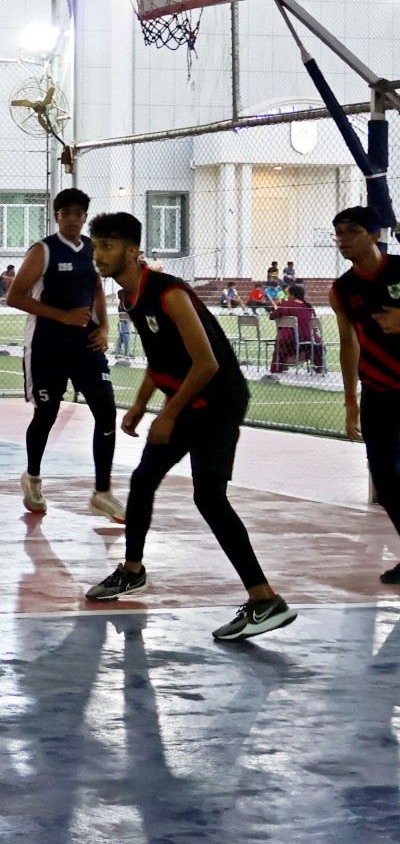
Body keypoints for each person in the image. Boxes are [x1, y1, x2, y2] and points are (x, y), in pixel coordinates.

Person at [81, 212, 295, 640]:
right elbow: (161, 357)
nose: (99, 254)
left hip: (217, 401)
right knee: (143, 479)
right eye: (96, 245)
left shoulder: (169, 293)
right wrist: (140, 403)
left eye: (108, 246)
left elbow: (207, 363)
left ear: (133, 251)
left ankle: (265, 599)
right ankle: (132, 571)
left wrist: (168, 414)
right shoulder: (131, 296)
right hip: (186, 401)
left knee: (209, 497)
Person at [6, 189, 125, 522]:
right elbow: (15, 296)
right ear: (56, 216)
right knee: (47, 413)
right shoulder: (43, 251)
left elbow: (97, 289)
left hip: (86, 344)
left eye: (78, 213)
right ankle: (32, 477)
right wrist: (63, 316)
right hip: (48, 345)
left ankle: (103, 492)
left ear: (85, 217)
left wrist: (104, 327)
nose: (73, 218)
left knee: (106, 410)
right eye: (66, 213)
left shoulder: (92, 249)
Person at [330, 206, 400, 579]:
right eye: (339, 233)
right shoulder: (343, 289)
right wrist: (350, 401)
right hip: (378, 392)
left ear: (374, 235)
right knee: (385, 480)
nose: (343, 239)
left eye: (352, 231)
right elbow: (348, 344)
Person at [269, 283, 321, 373]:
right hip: (308, 336)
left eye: (288, 294)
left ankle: (279, 366)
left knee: (281, 341)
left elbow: (272, 316)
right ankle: (320, 366)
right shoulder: (308, 306)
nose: (288, 296)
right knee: (318, 343)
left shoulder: (287, 304)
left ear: (293, 295)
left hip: (289, 337)